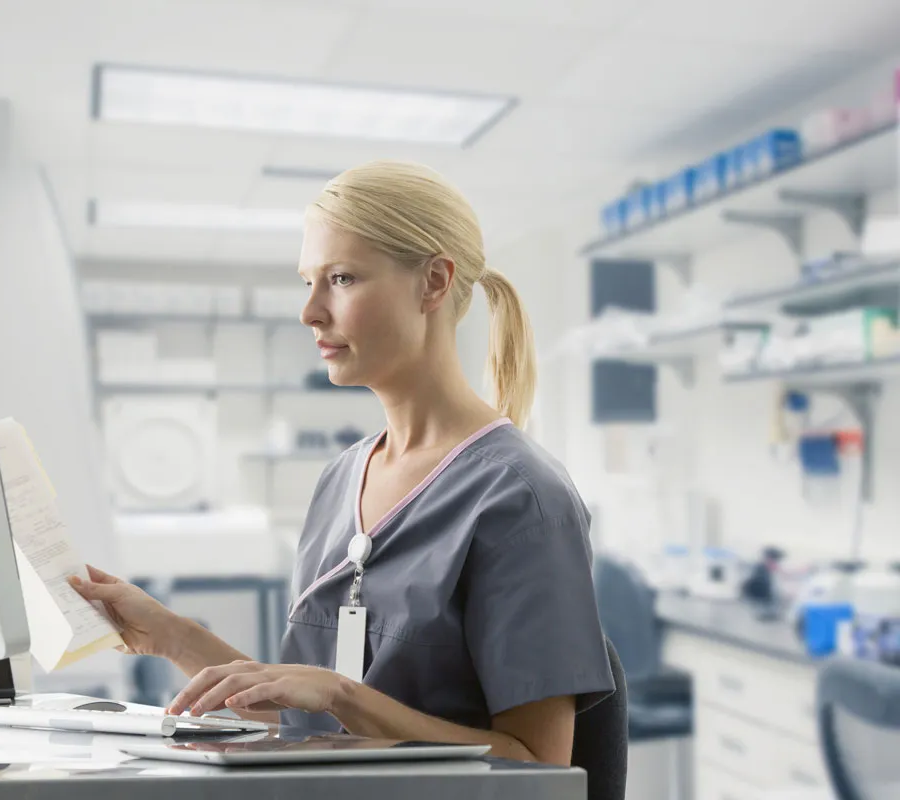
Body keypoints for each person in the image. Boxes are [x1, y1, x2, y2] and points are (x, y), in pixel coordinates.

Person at [71, 160, 614, 766]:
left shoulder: (520, 498)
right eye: (309, 281)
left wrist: (343, 695)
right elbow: (306, 719)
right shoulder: (340, 481)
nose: (310, 312)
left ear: (433, 283)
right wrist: (170, 634)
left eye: (342, 279)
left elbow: (537, 766)